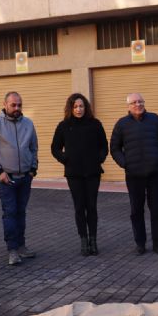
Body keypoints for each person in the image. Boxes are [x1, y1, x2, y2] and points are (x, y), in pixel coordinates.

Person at [110, 93, 158, 256]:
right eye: (134, 102)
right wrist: (125, 163)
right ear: (128, 106)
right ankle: (140, 244)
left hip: (155, 173)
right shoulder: (122, 124)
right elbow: (114, 148)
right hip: (133, 175)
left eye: (140, 101)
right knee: (136, 211)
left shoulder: (155, 119)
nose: (138, 104)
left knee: (156, 210)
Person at [0, 91, 38, 266]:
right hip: (6, 178)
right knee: (10, 213)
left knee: (21, 213)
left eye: (19, 105)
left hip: (25, 178)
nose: (17, 108)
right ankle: (12, 250)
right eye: (13, 105)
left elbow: (33, 148)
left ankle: (21, 246)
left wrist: (33, 169)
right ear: (5, 104)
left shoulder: (28, 124)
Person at [51, 93, 108, 256]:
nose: (78, 109)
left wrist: (99, 158)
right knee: (79, 207)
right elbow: (55, 148)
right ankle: (83, 241)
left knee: (92, 207)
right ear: (70, 108)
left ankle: (93, 240)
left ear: (86, 107)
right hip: (74, 174)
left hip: (92, 173)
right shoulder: (64, 126)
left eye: (81, 106)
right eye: (75, 106)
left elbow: (104, 146)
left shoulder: (95, 124)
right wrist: (65, 159)